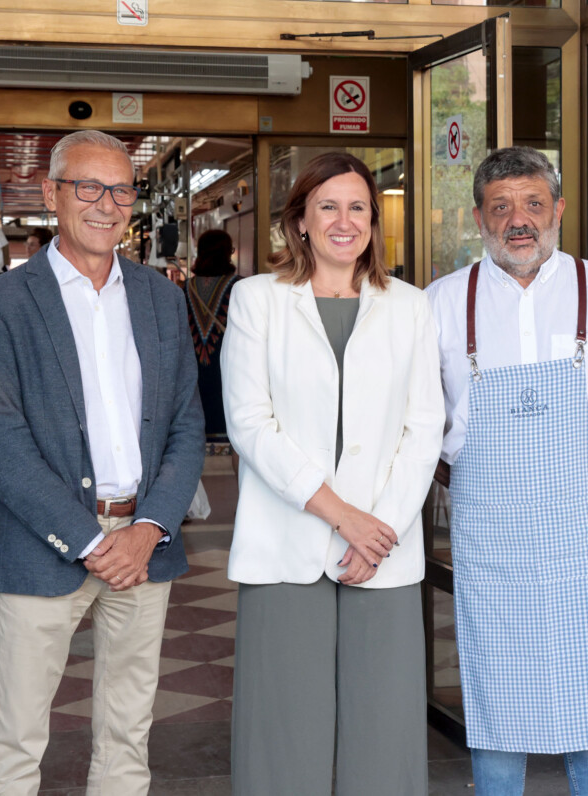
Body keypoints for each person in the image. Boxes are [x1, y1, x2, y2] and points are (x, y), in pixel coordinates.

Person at [425, 146, 588, 795]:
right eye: (501, 207)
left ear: (558, 210)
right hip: (488, 543)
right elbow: (416, 419)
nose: (519, 220)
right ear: (478, 217)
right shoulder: (443, 303)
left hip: (580, 540)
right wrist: (459, 470)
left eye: (533, 204)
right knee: (496, 702)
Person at [0, 130, 204, 795]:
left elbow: (187, 425)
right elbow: (1, 444)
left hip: (144, 547)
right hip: (47, 545)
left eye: (121, 189)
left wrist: (149, 528)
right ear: (52, 194)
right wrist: (94, 541)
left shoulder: (160, 298)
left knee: (129, 735)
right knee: (16, 738)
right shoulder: (4, 306)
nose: (107, 204)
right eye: (88, 188)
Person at [223, 151, 444, 795]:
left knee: (386, 728)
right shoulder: (257, 301)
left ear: (374, 222)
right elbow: (250, 424)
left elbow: (423, 427)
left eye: (357, 208)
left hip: (383, 548)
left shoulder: (408, 306)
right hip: (286, 543)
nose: (343, 222)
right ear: (300, 221)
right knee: (282, 731)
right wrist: (344, 516)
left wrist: (382, 528)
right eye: (327, 206)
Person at [185, 229, 238, 450]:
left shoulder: (184, 289)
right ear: (229, 253)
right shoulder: (241, 288)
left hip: (193, 380)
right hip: (231, 376)